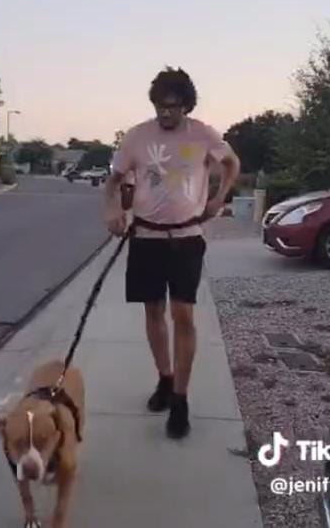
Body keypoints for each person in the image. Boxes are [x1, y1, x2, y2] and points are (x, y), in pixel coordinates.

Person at [104, 67, 240, 439]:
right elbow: (114, 179)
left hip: (186, 237)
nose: (165, 113)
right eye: (160, 106)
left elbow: (232, 164)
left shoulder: (203, 134)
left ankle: (180, 399)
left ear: (186, 105)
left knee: (183, 314)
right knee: (153, 312)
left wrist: (219, 198)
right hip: (145, 237)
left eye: (173, 106)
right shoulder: (137, 136)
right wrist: (112, 211)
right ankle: (165, 378)